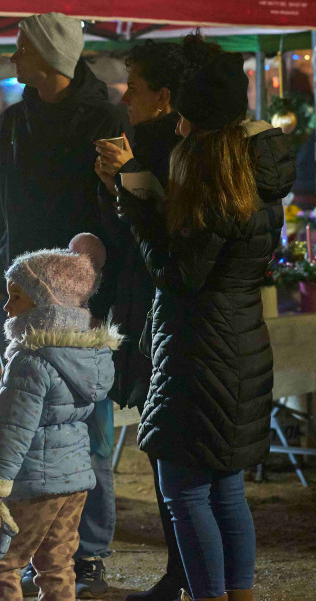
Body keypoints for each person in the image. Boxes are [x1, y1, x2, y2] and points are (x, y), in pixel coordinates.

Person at [105, 51, 295, 601]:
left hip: (198, 346)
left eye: (185, 118)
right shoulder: (254, 177)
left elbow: (178, 273)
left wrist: (137, 201)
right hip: (237, 339)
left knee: (184, 490)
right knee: (225, 488)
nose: (178, 128)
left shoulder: (213, 180)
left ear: (204, 125)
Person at [0, 12, 127, 598]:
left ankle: (86, 549)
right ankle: (31, 541)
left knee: (85, 424)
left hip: (77, 300)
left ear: (49, 58)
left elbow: (113, 210)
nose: (12, 58)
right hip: (15, 292)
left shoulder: (104, 119)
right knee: (21, 417)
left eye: (20, 48)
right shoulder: (13, 122)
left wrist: (95, 293)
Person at [95, 37, 216, 601]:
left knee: (175, 451)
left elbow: (170, 235)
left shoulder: (182, 148)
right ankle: (184, 574)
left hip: (166, 308)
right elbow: (128, 235)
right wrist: (114, 188)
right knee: (162, 442)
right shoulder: (144, 142)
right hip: (145, 305)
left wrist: (129, 182)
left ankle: (185, 576)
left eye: (134, 86)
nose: (124, 96)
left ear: (164, 97)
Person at [0, 233, 120, 600]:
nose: (7, 307)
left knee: (2, 565)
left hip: (33, 486)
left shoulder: (30, 361)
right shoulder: (90, 358)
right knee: (57, 565)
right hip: (75, 482)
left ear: (44, 301)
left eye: (16, 296)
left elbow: (11, 432)